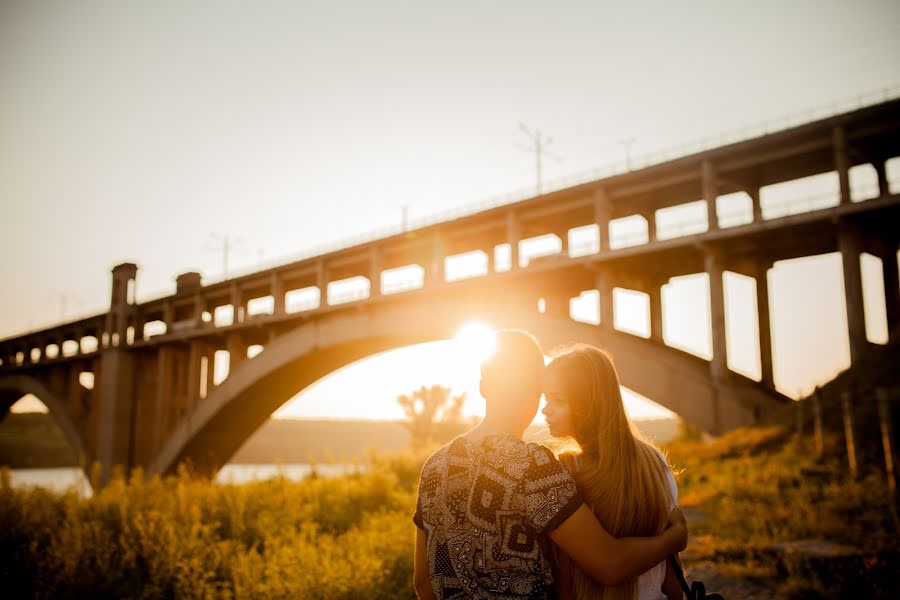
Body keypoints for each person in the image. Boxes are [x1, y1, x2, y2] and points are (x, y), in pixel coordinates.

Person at [413, 329, 687, 600]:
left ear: (483, 387)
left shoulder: (435, 467)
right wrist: (671, 540)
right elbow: (608, 564)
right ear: (536, 390)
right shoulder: (534, 468)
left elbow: (423, 583)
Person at [542, 343, 683, 600]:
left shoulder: (566, 472)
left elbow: (564, 582)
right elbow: (672, 578)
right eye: (546, 398)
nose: (545, 409)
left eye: (557, 399)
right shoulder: (656, 464)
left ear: (588, 403)